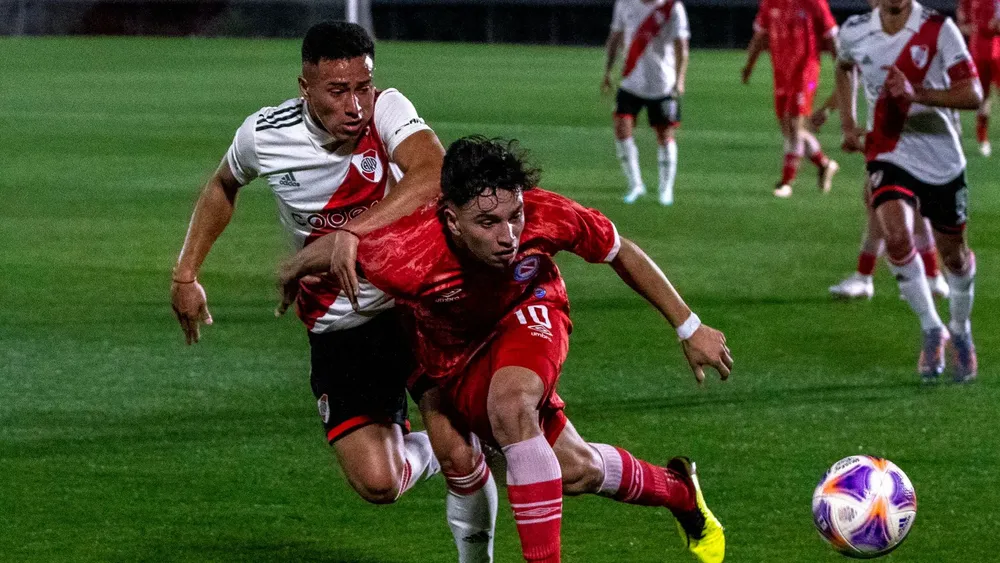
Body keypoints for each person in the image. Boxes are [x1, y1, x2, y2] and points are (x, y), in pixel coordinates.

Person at [279, 136, 732, 563]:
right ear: (452, 220)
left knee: (511, 405)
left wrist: (689, 327)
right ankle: (678, 490)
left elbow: (619, 251)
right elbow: (339, 252)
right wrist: (292, 270)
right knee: (574, 470)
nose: (509, 235)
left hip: (530, 311)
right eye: (488, 223)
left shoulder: (546, 213)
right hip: (453, 352)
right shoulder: (404, 253)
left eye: (514, 216)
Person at [169, 22, 497, 561]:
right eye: (338, 91)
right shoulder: (264, 135)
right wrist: (186, 274)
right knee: (379, 483)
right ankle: (462, 445)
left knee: (459, 452)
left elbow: (433, 171)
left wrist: (351, 232)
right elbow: (223, 184)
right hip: (338, 323)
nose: (356, 104)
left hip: (414, 306)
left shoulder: (388, 109)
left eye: (363, 86)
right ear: (305, 87)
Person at [836, 0, 983, 382]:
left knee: (955, 257)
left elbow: (973, 94)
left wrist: (915, 93)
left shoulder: (938, 29)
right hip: (888, 151)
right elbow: (843, 66)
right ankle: (932, 328)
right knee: (897, 236)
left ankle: (960, 328)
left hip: (940, 158)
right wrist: (849, 124)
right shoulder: (854, 30)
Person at [808, 30, 949, 300]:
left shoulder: (905, 36)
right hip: (893, 133)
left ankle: (872, 277)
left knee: (882, 201)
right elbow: (851, 75)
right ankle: (930, 276)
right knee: (891, 203)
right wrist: (833, 112)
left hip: (904, 134)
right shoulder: (886, 34)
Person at [742, 0, 841, 198]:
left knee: (794, 125)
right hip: (781, 72)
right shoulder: (770, 3)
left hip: (806, 72)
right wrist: (749, 66)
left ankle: (786, 182)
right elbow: (760, 35)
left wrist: (842, 67)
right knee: (788, 129)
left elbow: (831, 37)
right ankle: (824, 164)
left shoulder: (814, 3)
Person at [602, 0, 690, 206]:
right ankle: (635, 185)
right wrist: (607, 71)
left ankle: (665, 189)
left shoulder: (672, 8)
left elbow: (681, 46)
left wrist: (680, 79)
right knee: (622, 129)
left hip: (662, 84)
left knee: (665, 135)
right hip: (630, 82)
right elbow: (615, 37)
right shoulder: (624, 3)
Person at [957, 0, 1000, 156]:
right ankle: (983, 138)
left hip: (997, 48)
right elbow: (962, 24)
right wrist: (977, 28)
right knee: (983, 96)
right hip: (979, 50)